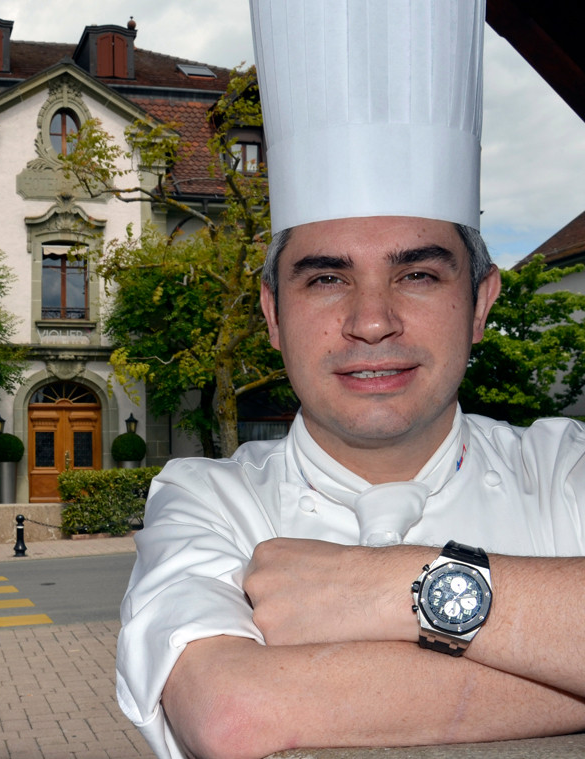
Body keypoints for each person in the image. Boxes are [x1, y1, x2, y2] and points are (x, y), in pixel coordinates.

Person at [115, 2, 585, 759]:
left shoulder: (566, 470)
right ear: (273, 313)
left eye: (420, 274)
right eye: (327, 277)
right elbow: (235, 712)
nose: (372, 320)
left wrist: (387, 587)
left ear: (480, 303)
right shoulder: (206, 499)